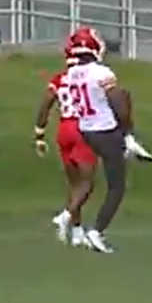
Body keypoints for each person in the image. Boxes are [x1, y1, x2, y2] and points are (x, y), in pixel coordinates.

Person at [61, 31, 137, 253]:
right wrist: (126, 129)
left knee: (92, 178)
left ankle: (129, 143)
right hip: (105, 129)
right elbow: (116, 102)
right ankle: (96, 231)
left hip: (87, 130)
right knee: (117, 186)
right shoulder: (101, 72)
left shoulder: (71, 73)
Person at [34, 30, 99, 246]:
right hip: (83, 127)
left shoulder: (59, 79)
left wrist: (39, 132)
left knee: (75, 185)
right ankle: (65, 216)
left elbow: (46, 103)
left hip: (64, 128)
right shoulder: (90, 76)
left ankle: (77, 232)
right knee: (87, 183)